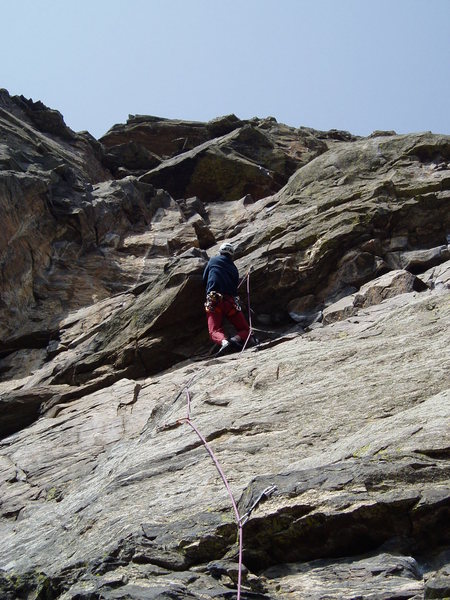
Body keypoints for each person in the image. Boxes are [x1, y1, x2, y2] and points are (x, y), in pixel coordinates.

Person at [203, 243, 255, 354]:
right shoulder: (234, 268)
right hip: (230, 302)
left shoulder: (213, 261)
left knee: (214, 331)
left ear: (220, 252)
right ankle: (235, 339)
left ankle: (224, 342)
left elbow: (204, 278)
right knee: (247, 330)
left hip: (214, 300)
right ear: (231, 255)